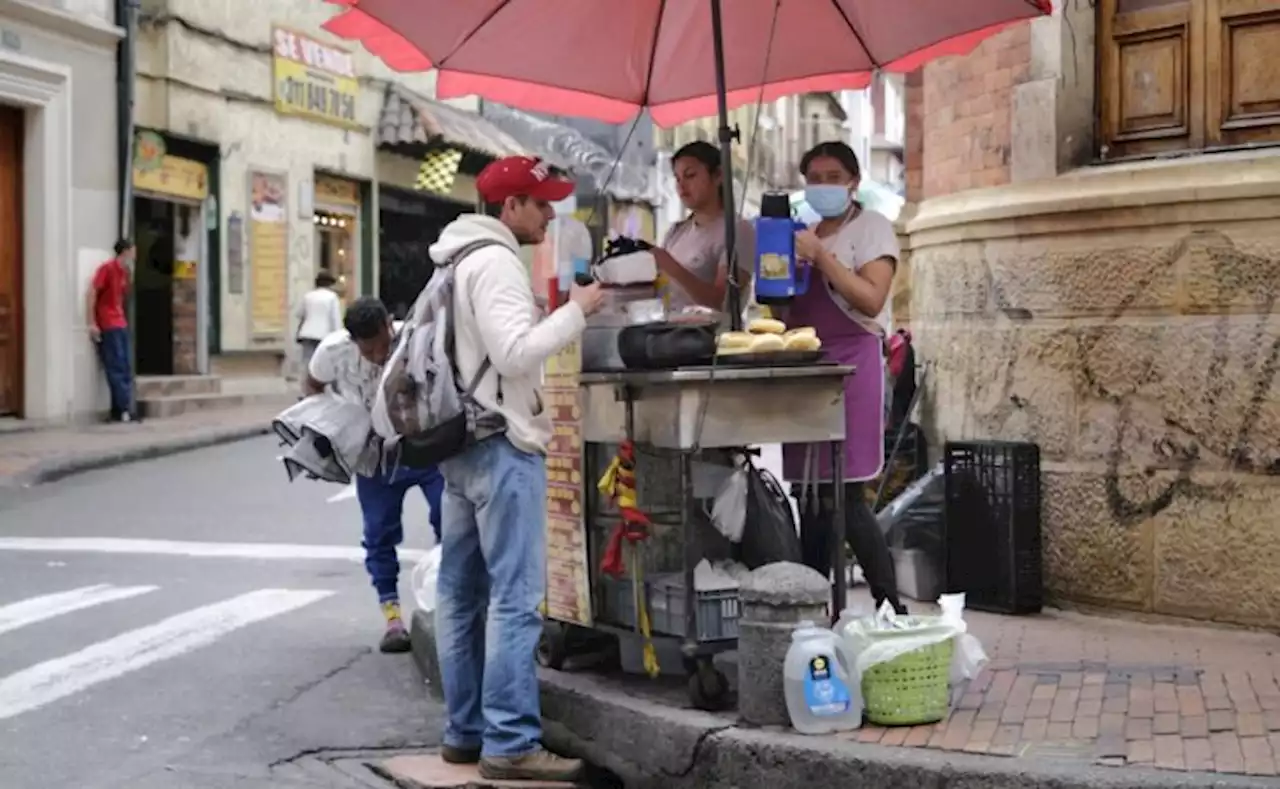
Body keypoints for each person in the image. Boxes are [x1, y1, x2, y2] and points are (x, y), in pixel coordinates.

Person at [431, 156, 603, 782]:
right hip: (502, 444)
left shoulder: (454, 260)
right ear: (509, 208)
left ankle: (464, 733)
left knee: (459, 595)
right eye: (539, 202)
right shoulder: (497, 261)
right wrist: (576, 310)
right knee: (514, 600)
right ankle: (509, 743)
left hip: (459, 444)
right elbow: (513, 353)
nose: (550, 213)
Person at [782, 141, 907, 616]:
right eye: (815, 176)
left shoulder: (871, 228)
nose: (824, 185)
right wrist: (780, 272)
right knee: (809, 494)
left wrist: (822, 259)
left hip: (852, 366)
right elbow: (786, 311)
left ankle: (891, 607)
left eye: (834, 176)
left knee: (845, 493)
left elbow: (872, 300)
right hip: (806, 368)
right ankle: (813, 607)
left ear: (854, 183)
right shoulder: (805, 233)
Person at [305, 296, 446, 653]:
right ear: (353, 341)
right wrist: (328, 425)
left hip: (421, 446)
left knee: (450, 519)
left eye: (382, 346)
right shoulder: (332, 351)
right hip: (372, 454)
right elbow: (312, 384)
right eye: (368, 350)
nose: (377, 355)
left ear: (389, 325)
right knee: (379, 533)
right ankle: (392, 618)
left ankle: (449, 603)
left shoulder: (415, 341)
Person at [649, 140, 755, 313]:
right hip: (669, 332)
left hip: (711, 335)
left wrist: (669, 265)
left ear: (718, 175)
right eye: (677, 179)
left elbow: (721, 300)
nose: (682, 187)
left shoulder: (737, 231)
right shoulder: (677, 232)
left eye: (690, 176)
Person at [87, 239, 136, 423]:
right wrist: (92, 322)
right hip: (108, 322)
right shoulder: (107, 269)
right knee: (115, 365)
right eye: (132, 251)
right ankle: (121, 409)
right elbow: (92, 293)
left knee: (124, 365)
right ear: (125, 251)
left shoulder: (124, 272)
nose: (134, 255)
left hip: (120, 321)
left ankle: (123, 406)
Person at [295, 270, 343, 397]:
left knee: (306, 362)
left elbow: (300, 314)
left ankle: (304, 391)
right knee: (325, 362)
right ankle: (324, 391)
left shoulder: (308, 296)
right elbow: (335, 319)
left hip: (307, 333)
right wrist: (338, 337)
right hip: (324, 335)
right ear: (330, 284)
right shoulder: (332, 297)